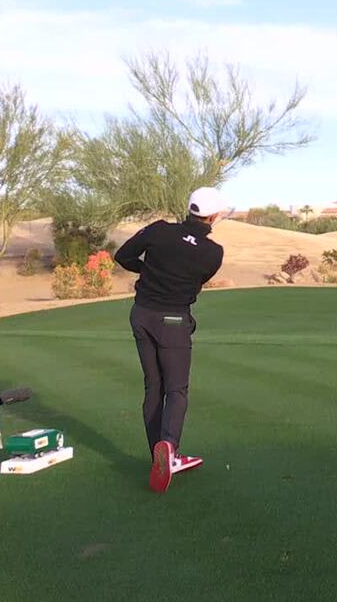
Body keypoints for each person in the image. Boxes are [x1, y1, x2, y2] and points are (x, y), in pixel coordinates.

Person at [115, 186, 228, 494]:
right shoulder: (212, 252)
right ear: (213, 216)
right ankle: (170, 450)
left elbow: (122, 256)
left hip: (141, 315)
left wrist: (148, 271)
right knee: (176, 389)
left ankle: (157, 455)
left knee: (154, 386)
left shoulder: (159, 230)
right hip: (173, 321)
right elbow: (195, 280)